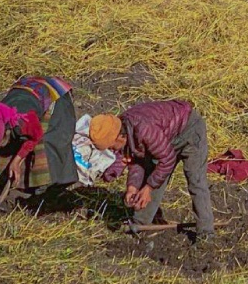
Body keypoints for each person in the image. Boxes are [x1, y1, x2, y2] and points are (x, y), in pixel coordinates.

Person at [89, 99, 215, 239]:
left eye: (111, 147)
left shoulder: (144, 129)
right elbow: (137, 160)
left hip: (189, 130)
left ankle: (206, 232)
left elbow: (167, 160)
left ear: (119, 138)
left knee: (196, 180)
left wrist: (148, 188)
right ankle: (140, 225)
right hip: (166, 137)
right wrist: (132, 187)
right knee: (153, 175)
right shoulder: (124, 128)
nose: (112, 151)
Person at [0, 75, 78, 216]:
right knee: (10, 148)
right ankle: (23, 184)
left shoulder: (23, 119)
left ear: (6, 130)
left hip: (55, 94)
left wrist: (17, 160)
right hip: (28, 93)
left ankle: (52, 188)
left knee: (50, 142)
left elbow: (36, 136)